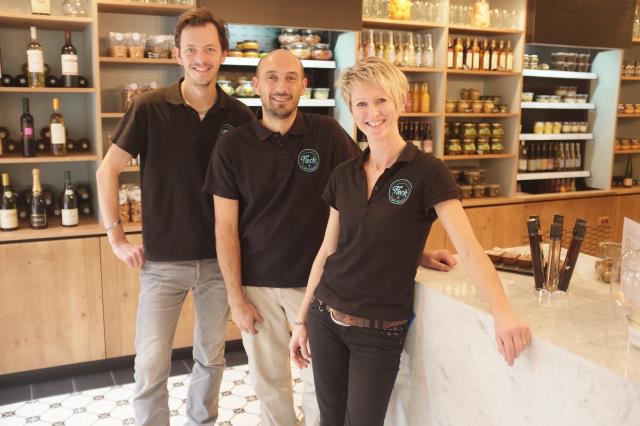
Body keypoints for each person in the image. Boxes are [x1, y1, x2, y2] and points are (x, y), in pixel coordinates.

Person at [289, 56, 532, 426]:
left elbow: (467, 247)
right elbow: (329, 249)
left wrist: (503, 312)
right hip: (326, 319)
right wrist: (302, 319)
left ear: (402, 101)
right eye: (361, 103)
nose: (373, 112)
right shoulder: (344, 174)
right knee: (328, 421)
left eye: (381, 100)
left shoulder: (428, 172)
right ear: (351, 111)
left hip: (378, 332)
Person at [95, 8, 254, 426]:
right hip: (162, 263)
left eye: (209, 48)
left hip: (221, 265)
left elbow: (255, 192)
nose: (200, 57)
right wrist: (116, 236)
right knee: (150, 363)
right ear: (177, 55)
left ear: (222, 53)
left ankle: (201, 421)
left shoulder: (239, 117)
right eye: (191, 49)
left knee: (211, 357)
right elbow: (107, 170)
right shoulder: (148, 107)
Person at [202, 49, 360, 426]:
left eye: (291, 78)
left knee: (321, 382)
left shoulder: (328, 134)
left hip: (318, 285)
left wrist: (412, 250)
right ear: (256, 85)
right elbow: (224, 228)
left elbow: (363, 194)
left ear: (304, 85)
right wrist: (235, 296)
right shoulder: (232, 146)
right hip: (256, 289)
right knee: (269, 383)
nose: (281, 87)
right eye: (272, 77)